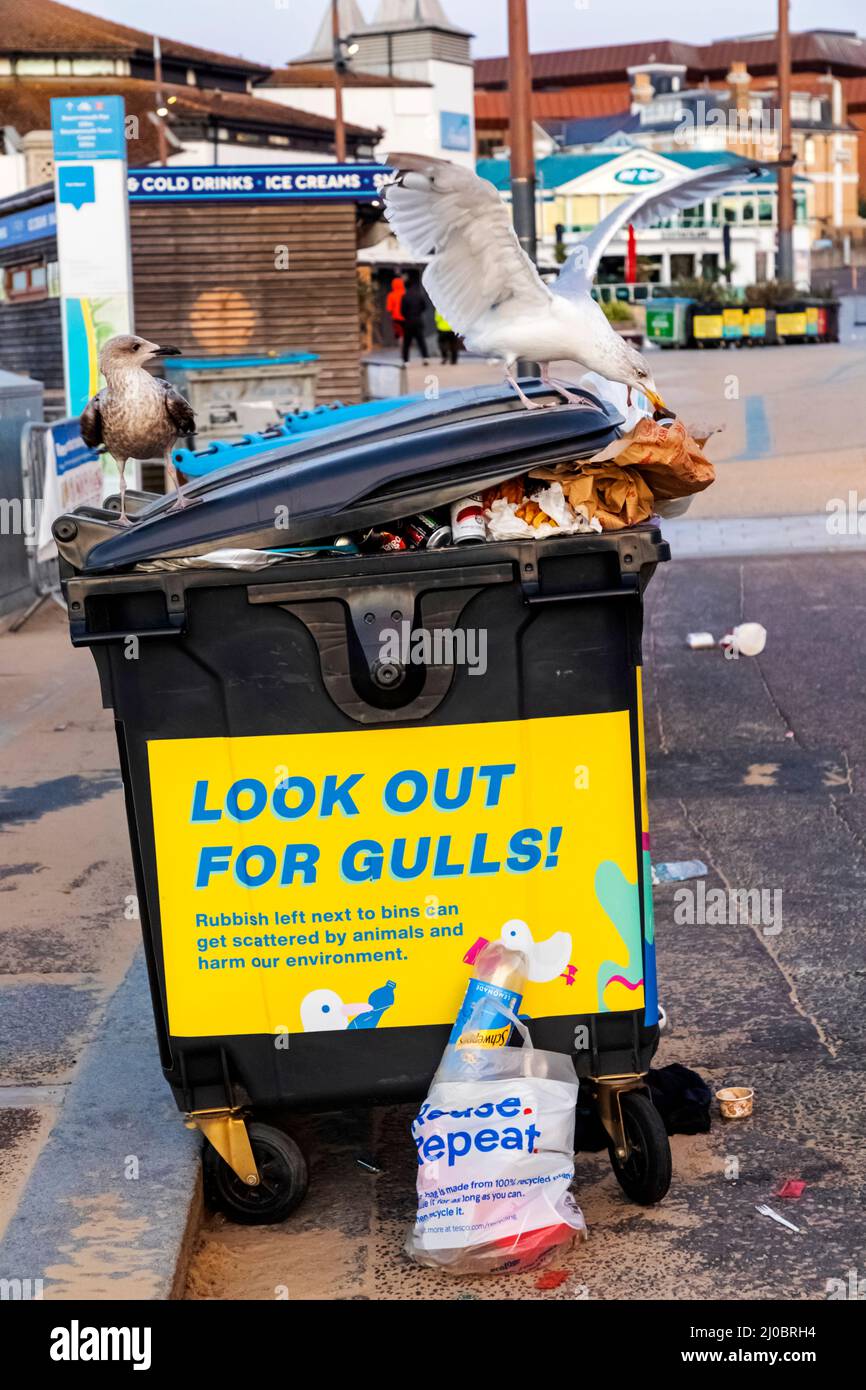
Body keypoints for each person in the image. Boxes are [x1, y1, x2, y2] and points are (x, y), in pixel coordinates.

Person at [400, 269, 429, 364]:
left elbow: (402, 310)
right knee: (421, 341)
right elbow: (424, 307)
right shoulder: (419, 295)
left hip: (408, 321)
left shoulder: (405, 296)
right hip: (418, 320)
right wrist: (418, 313)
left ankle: (406, 361)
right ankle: (425, 358)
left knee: (407, 343)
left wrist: (407, 316)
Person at [385, 274, 405, 343]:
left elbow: (389, 308)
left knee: (399, 334)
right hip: (406, 318)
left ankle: (401, 345)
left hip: (396, 318)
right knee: (406, 334)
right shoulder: (405, 293)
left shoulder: (391, 295)